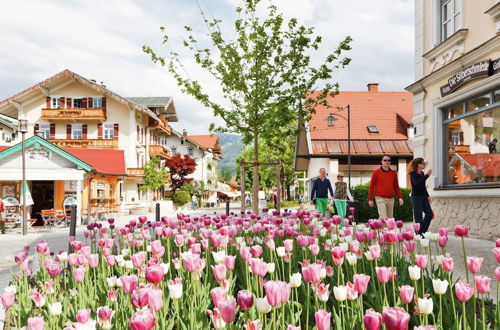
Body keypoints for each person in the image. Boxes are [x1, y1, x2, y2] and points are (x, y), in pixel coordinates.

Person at [408, 157, 433, 235]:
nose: (424, 164)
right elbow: (417, 183)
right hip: (416, 197)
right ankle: (419, 234)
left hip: (423, 197)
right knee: (419, 217)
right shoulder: (412, 173)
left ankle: (422, 232)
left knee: (429, 214)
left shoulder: (422, 173)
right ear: (418, 164)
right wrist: (427, 176)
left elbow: (423, 186)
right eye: (423, 163)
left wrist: (427, 196)